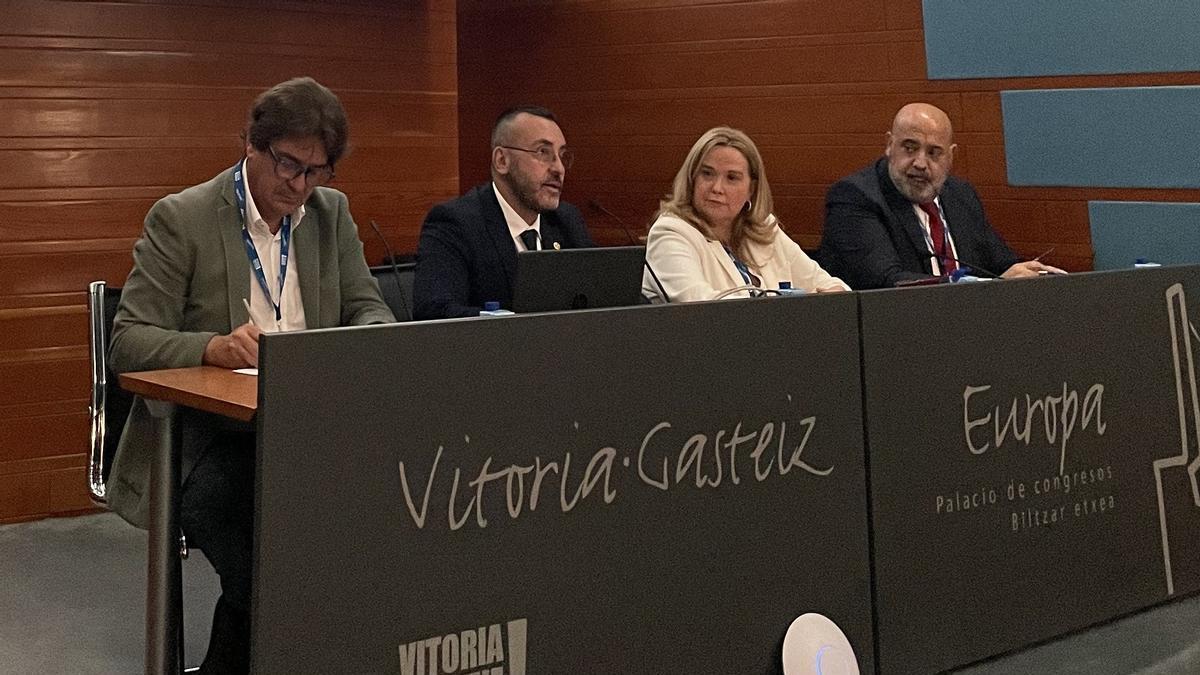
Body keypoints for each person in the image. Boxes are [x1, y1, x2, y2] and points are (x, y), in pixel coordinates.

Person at [107, 77, 394, 673]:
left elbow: (369, 305)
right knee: (274, 574)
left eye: (318, 171)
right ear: (252, 146)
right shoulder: (181, 218)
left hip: (305, 434)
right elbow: (128, 342)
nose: (299, 184)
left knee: (368, 550)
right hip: (204, 442)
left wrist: (363, 336)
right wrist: (212, 347)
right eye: (288, 164)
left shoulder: (328, 213)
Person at [817, 102, 1065, 289]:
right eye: (910, 148)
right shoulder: (854, 198)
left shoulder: (960, 195)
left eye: (934, 153)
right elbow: (887, 283)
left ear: (951, 156)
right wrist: (983, 284)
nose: (920, 163)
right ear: (889, 145)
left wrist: (1029, 274)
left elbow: (1001, 263)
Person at [412, 105, 594, 319]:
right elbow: (434, 312)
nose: (559, 168)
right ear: (501, 161)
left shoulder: (566, 220)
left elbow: (600, 296)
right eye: (543, 152)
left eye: (562, 156)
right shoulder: (455, 223)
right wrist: (510, 322)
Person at [642, 126, 848, 302]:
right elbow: (700, 307)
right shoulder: (670, 232)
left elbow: (831, 286)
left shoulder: (764, 229)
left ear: (751, 189)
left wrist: (831, 296)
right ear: (691, 179)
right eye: (707, 173)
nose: (717, 188)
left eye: (732, 178)